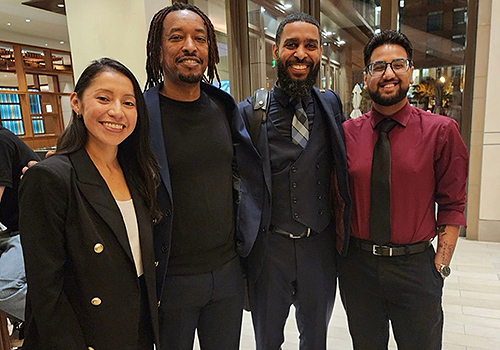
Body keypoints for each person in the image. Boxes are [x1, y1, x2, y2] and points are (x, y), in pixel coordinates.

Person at [338, 30, 469, 350]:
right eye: (378, 67)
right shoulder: (346, 133)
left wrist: (440, 264)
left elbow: (453, 202)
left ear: (410, 70)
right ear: (366, 76)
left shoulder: (441, 131)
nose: (388, 74)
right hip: (359, 268)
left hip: (415, 268)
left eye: (398, 64)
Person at [18, 58, 160, 350]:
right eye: (103, 98)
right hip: (84, 336)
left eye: (129, 103)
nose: (116, 112)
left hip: (135, 329)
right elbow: (47, 292)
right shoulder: (50, 178)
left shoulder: (138, 173)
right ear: (76, 103)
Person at [237, 12, 351, 350]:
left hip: (319, 246)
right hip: (270, 251)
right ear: (276, 51)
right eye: (291, 45)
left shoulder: (330, 104)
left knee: (316, 339)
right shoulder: (250, 112)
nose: (301, 54)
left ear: (319, 53)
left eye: (310, 46)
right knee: (267, 341)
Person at [144, 3, 245, 349]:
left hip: (227, 274)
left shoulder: (225, 107)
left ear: (210, 50)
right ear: (158, 50)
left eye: (199, 38)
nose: (190, 46)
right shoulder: (141, 116)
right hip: (172, 278)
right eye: (177, 37)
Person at [0, 127, 39, 322]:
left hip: (33, 230)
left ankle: (59, 324)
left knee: (3, 286)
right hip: (11, 230)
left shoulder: (1, 141)